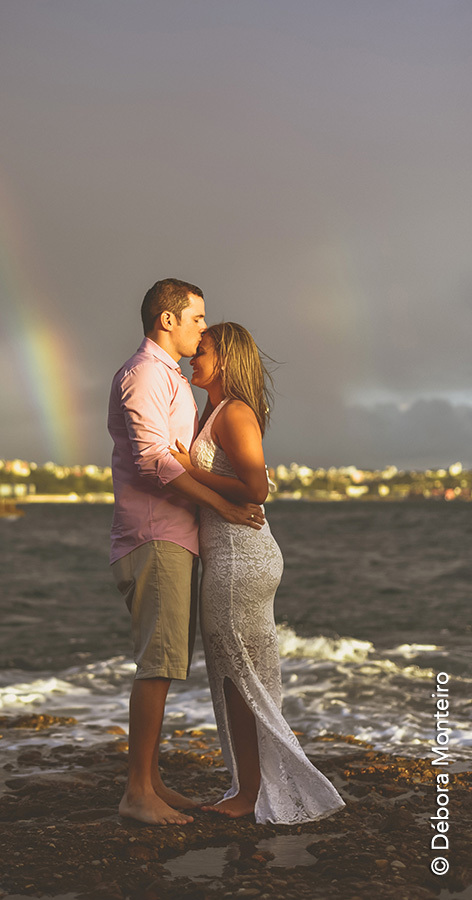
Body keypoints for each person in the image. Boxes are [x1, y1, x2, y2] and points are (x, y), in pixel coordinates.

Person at [170, 322, 345, 824]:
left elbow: (256, 487)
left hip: (240, 558)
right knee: (240, 677)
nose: (193, 356)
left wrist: (189, 471)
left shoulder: (236, 412)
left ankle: (251, 794)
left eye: (202, 351)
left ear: (225, 359)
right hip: (232, 556)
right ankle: (256, 786)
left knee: (239, 679)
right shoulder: (215, 410)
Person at [108, 281, 265, 826]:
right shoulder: (146, 374)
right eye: (197, 318)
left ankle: (151, 781)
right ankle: (137, 792)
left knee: (167, 660)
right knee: (159, 663)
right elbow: (153, 461)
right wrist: (221, 505)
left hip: (176, 536)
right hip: (156, 534)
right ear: (167, 320)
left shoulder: (171, 378)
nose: (203, 329)